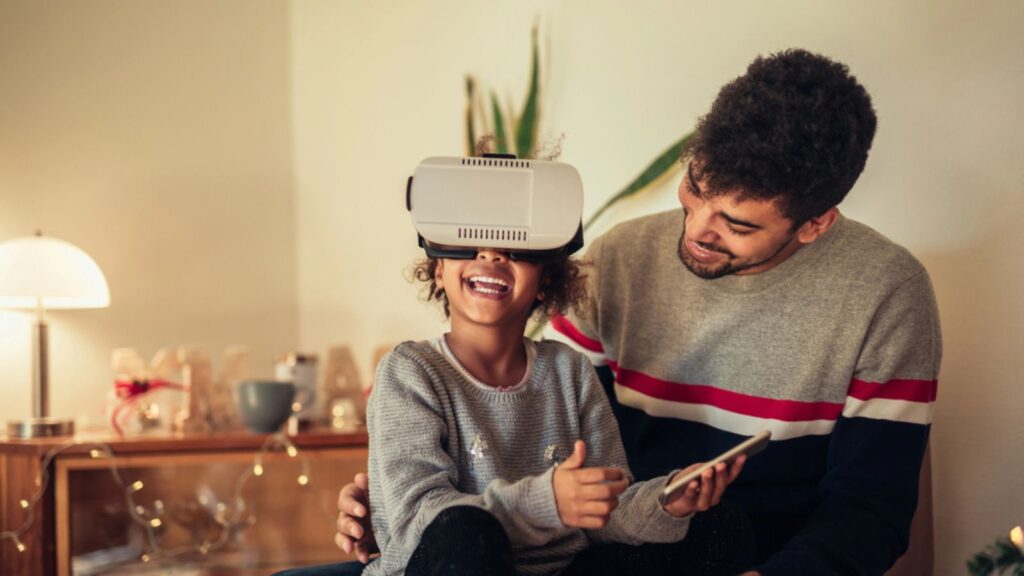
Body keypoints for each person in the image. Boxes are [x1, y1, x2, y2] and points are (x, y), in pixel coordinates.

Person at [337, 48, 942, 575]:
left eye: (735, 224)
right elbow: (535, 454)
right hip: (569, 535)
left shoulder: (885, 293)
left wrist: (676, 512)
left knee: (718, 529)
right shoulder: (619, 260)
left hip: (731, 547)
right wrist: (396, 511)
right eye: (695, 190)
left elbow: (869, 510)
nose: (699, 231)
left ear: (814, 224)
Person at [280, 175, 753, 576]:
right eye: (469, 242)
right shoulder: (410, 373)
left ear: (546, 278)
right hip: (453, 562)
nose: (491, 255)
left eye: (516, 247)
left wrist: (666, 503)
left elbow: (606, 510)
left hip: (558, 571)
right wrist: (546, 500)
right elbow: (414, 529)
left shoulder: (568, 371)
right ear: (438, 267)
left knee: (716, 526)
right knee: (466, 530)